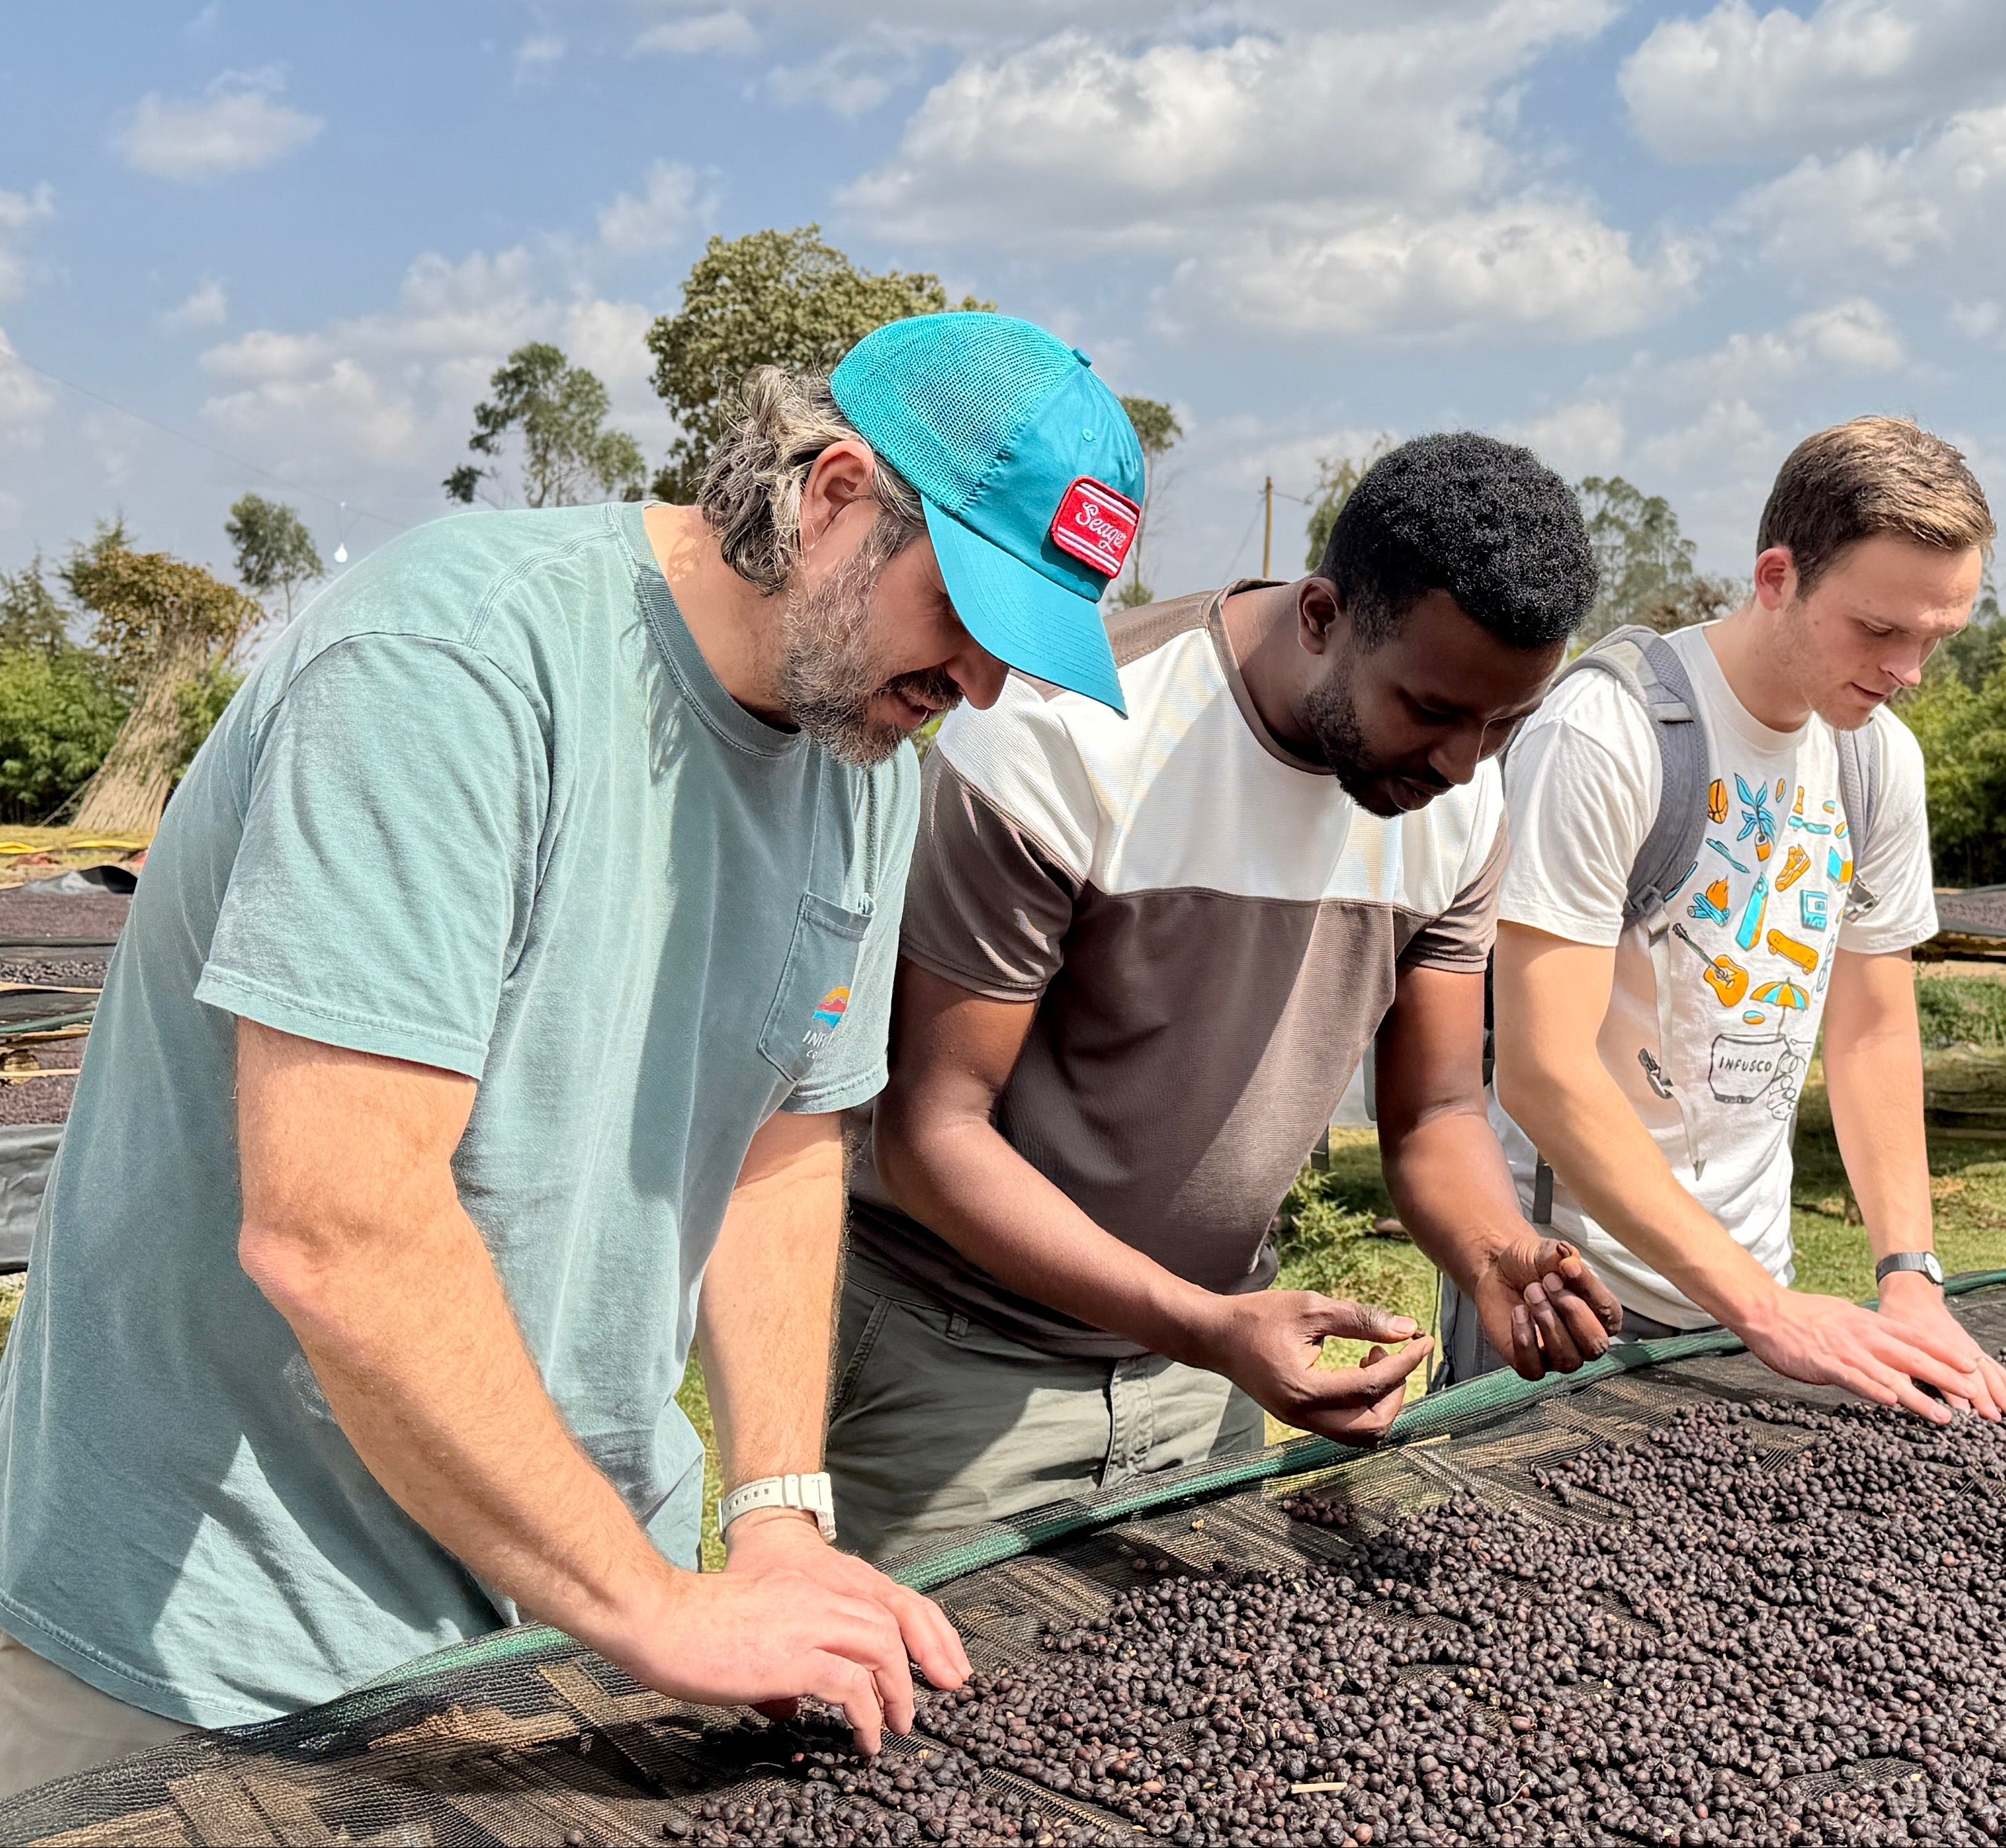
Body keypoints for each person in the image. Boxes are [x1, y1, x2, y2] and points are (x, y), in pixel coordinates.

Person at [0, 310, 1146, 1795]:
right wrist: (655, 1609)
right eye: (968, 613)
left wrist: (780, 1514)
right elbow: (339, 1228)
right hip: (217, 1638)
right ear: (833, 497)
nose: (982, 685)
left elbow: (782, 1144)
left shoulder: (857, 765)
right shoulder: (452, 668)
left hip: (555, 1603)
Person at [827, 434, 1624, 1562]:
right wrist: (1207, 1327)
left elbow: (1435, 1113)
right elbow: (929, 1133)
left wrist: (1497, 1259)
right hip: (962, 1363)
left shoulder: (1461, 798)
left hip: (1203, 1370)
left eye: (1504, 724)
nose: (1463, 761)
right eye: (1434, 708)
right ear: (1320, 615)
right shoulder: (1067, 734)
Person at [1473, 418, 2006, 1423]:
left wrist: (1908, 1275)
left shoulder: (1875, 760)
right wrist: (1765, 1306)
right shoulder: (1607, 734)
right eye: (1879, 630)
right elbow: (1543, 1070)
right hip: (1572, 1298)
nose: (1908, 671)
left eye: (1934, 638)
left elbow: (1871, 1029)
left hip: (1751, 1299)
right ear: (1776, 578)